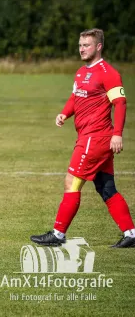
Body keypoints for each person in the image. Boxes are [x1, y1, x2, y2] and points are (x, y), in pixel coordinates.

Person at [30, 28, 134, 248]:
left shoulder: (108, 73)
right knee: (106, 188)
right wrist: (65, 113)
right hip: (91, 138)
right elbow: (75, 97)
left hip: (95, 138)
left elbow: (120, 104)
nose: (81, 49)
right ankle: (131, 234)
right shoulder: (80, 72)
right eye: (80, 45)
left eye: (86, 45)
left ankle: (58, 234)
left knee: (71, 182)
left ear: (98, 46)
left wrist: (117, 134)